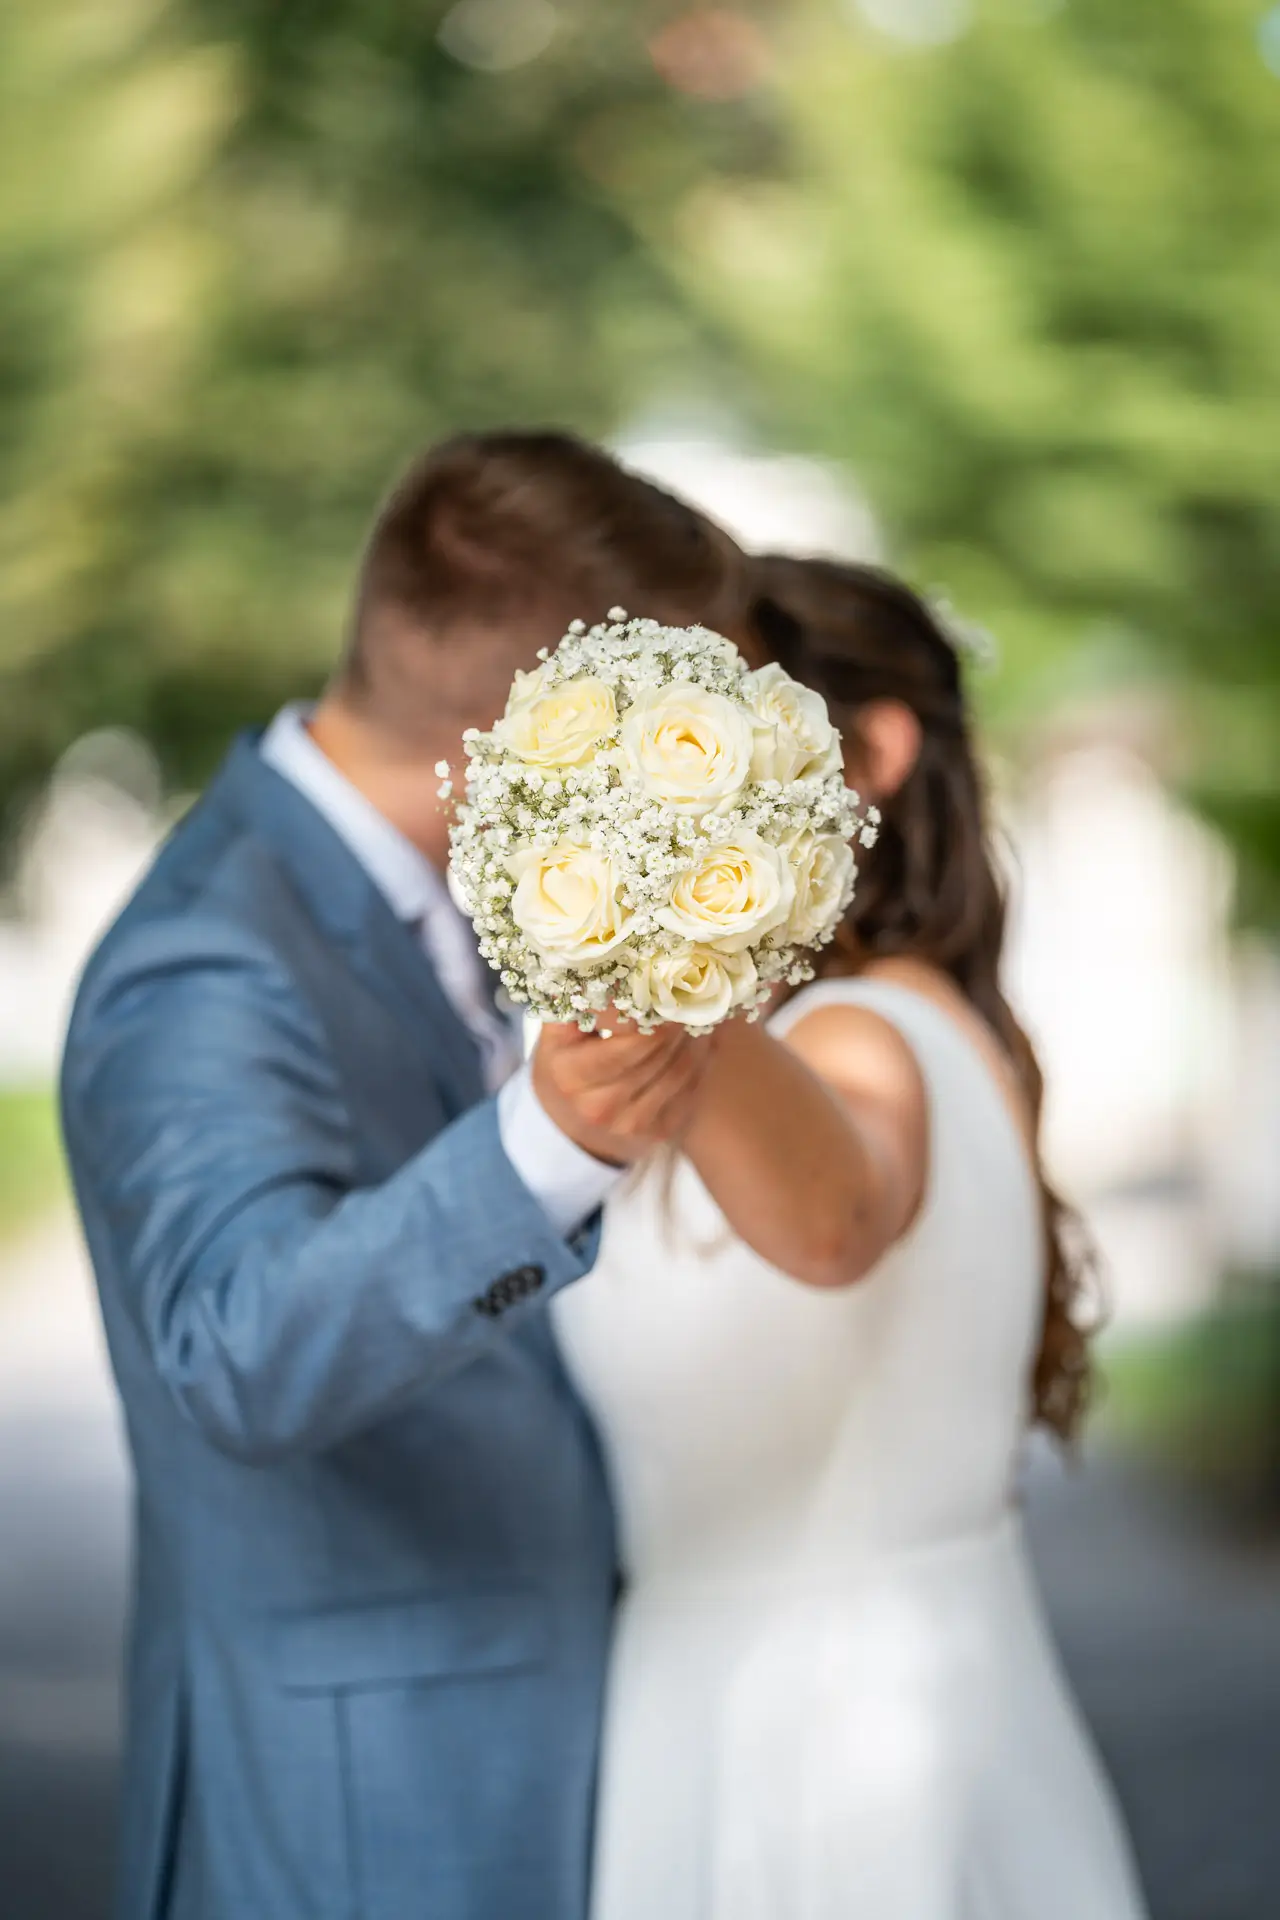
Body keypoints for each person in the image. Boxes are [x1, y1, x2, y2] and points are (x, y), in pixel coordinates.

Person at [60, 430, 745, 1920]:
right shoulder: (207, 954)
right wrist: (550, 1146)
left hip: (507, 1756)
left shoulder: (444, 904)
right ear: (541, 720)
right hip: (359, 1820)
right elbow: (235, 1351)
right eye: (670, 719)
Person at [555, 556, 1149, 1919]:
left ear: (871, 752)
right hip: (861, 1707)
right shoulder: (930, 1024)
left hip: (818, 1768)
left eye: (710, 726)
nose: (664, 772)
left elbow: (835, 1224)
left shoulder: (857, 1040)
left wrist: (633, 921)